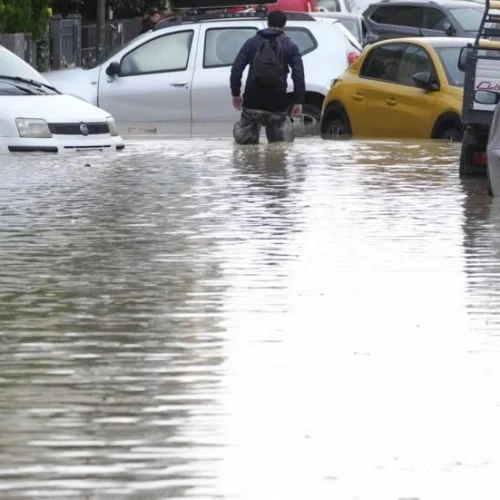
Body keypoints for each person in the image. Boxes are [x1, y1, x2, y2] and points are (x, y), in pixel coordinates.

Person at [230, 10, 305, 145]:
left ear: (267, 23)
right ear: (284, 25)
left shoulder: (251, 43)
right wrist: (299, 100)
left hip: (252, 100)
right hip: (277, 102)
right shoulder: (290, 46)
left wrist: (235, 93)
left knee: (247, 152)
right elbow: (298, 75)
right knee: (279, 150)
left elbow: (236, 69)